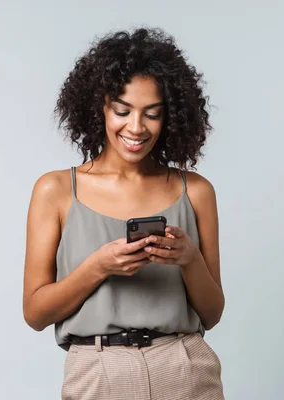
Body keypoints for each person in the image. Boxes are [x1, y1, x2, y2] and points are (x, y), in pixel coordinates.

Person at [22, 27, 225, 399]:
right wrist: (99, 266)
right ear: (99, 106)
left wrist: (189, 259)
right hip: (98, 371)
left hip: (185, 368)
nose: (136, 127)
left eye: (152, 114)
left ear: (170, 118)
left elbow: (212, 313)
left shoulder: (195, 191)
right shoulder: (56, 190)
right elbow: (35, 313)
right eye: (122, 110)